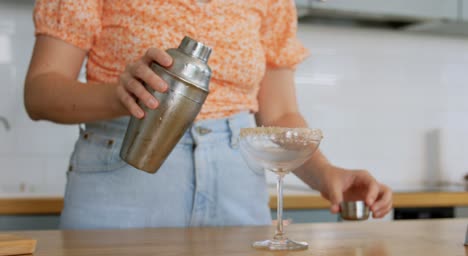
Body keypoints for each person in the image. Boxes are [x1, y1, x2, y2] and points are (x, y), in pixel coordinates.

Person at [25, 0, 392, 229]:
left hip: (236, 186)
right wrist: (120, 96)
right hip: (123, 178)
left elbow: (279, 114)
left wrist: (326, 174)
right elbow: (40, 92)